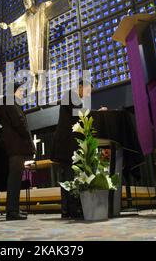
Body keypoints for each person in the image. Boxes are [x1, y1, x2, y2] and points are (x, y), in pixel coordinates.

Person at [0, 83, 35, 220]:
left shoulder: (7, 104)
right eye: (21, 90)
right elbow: (19, 122)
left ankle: (13, 208)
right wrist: (28, 138)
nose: (22, 93)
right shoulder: (11, 102)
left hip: (13, 145)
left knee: (15, 178)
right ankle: (12, 211)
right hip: (17, 145)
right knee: (15, 179)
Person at [50, 81, 91, 219]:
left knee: (68, 176)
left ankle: (67, 210)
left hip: (67, 144)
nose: (88, 94)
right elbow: (78, 114)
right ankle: (72, 209)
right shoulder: (71, 95)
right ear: (81, 87)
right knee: (70, 177)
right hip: (67, 144)